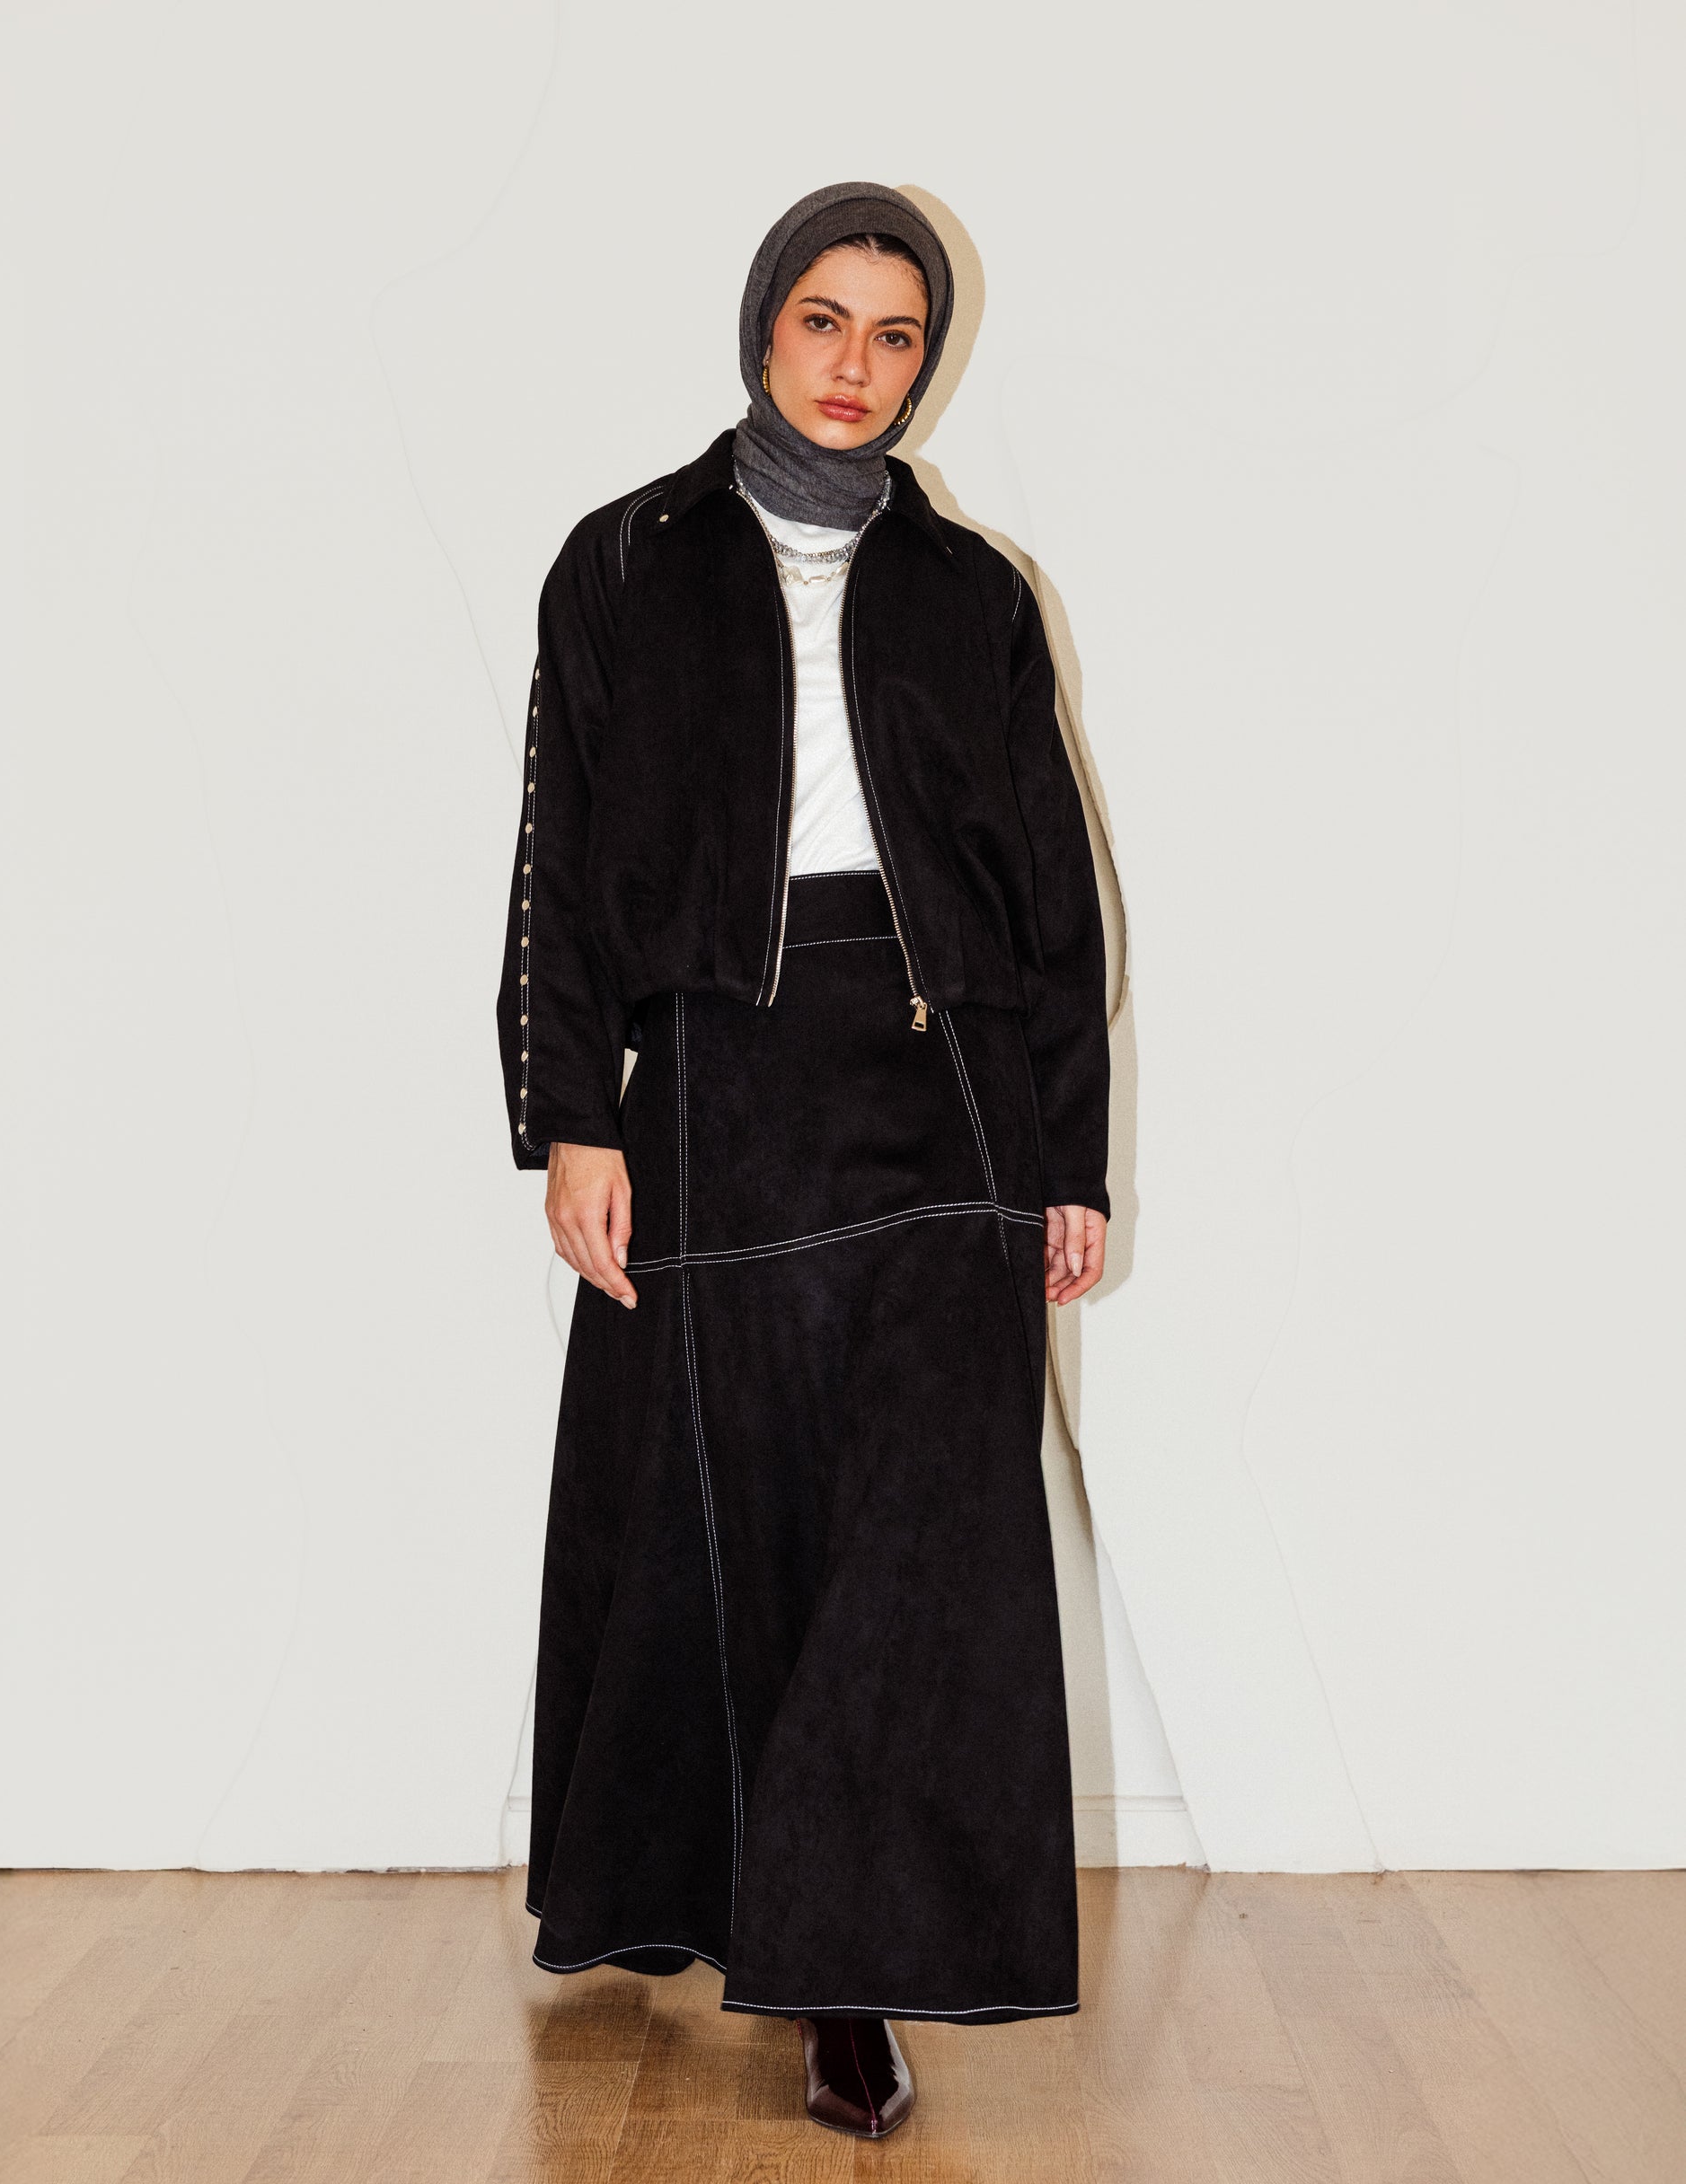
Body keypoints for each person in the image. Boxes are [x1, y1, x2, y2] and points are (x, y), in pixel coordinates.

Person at [496, 181, 1111, 2142]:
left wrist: (1070, 1155)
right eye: (823, 320)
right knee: (741, 1535)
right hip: (720, 1094)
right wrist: (571, 1116)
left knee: (915, 1551)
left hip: (950, 1098)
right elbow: (556, 860)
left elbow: (1053, 899)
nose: (856, 364)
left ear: (928, 362)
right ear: (764, 326)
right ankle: (739, 1912)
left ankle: (847, 1985)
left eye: (895, 333)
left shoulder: (972, 592)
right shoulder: (625, 561)